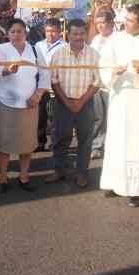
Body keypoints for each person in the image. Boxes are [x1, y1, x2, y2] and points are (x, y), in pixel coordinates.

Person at [98, 3, 139, 207]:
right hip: (120, 96)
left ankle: (138, 190)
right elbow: (104, 62)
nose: (124, 23)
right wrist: (113, 71)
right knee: (117, 141)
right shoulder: (116, 38)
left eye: (129, 20)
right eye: (125, 19)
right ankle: (114, 182)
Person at [0, 19, 50, 192]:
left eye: (19, 31)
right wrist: (8, 71)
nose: (16, 35)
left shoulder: (35, 50)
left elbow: (45, 74)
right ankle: (3, 177)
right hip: (5, 103)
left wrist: (38, 95)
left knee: (27, 142)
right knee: (4, 142)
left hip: (29, 103)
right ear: (7, 34)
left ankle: (24, 176)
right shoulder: (1, 49)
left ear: (25, 34)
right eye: (12, 32)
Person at [45, 19, 101, 189]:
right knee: (61, 138)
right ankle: (60, 170)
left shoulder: (94, 55)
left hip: (86, 104)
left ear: (85, 33)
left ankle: (82, 173)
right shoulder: (58, 54)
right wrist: (67, 102)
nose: (78, 37)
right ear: (68, 34)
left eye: (82, 33)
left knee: (85, 141)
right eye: (75, 33)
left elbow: (98, 81)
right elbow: (53, 80)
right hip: (63, 103)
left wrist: (81, 102)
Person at [34, 17, 65, 152]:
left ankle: (55, 142)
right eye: (47, 31)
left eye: (53, 31)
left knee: (55, 116)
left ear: (60, 31)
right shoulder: (38, 45)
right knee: (40, 115)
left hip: (56, 85)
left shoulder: (65, 46)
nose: (50, 34)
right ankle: (39, 142)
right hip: (41, 85)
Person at [90, 10, 115, 160]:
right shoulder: (96, 39)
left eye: (102, 23)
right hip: (97, 84)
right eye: (97, 23)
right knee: (98, 117)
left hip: (113, 84)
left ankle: (112, 147)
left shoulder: (118, 38)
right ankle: (96, 147)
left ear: (110, 22)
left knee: (112, 117)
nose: (100, 26)